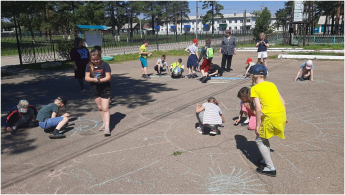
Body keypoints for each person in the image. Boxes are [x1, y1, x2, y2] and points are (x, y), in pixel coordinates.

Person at [250, 64, 287, 177]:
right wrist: (284, 117)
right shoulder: (272, 84)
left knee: (260, 140)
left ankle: (270, 168)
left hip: (270, 117)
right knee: (264, 138)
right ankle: (265, 159)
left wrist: (257, 125)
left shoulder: (255, 88)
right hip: (280, 114)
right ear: (265, 75)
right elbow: (283, 102)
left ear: (252, 76)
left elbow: (258, 108)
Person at [85, 49, 112, 136]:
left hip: (105, 88)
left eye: (97, 59)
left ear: (100, 57)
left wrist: (100, 80)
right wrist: (94, 80)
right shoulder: (88, 66)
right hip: (94, 88)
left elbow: (108, 77)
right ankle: (104, 123)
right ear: (90, 59)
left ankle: (107, 127)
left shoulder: (105, 65)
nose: (95, 61)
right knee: (100, 108)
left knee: (105, 108)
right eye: (93, 60)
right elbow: (87, 78)